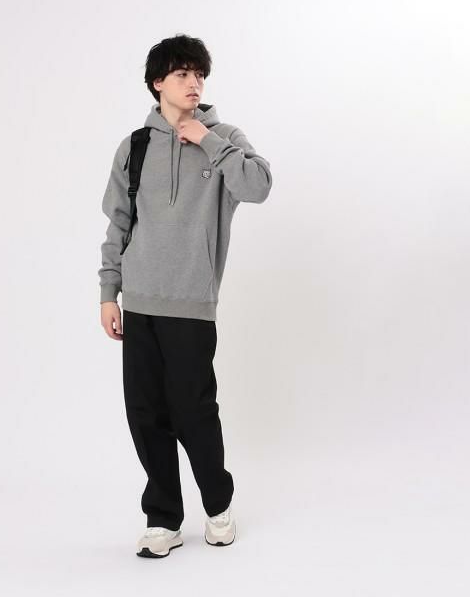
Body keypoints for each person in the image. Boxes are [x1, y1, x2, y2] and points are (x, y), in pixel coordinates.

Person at [97, 33, 272, 558]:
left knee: (194, 411)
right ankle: (163, 518)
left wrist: (208, 141)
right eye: (182, 74)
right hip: (139, 303)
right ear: (158, 83)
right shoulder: (135, 146)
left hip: (192, 303)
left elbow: (258, 186)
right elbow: (118, 224)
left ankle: (218, 507)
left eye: (199, 74)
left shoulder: (224, 137)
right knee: (145, 413)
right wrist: (108, 292)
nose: (194, 83)